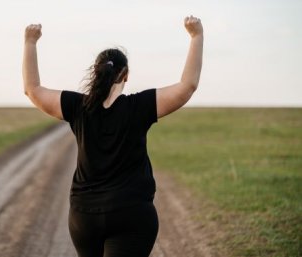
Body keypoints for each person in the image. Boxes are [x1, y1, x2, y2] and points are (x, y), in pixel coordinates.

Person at [22, 15, 203, 257]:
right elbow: (187, 86)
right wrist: (196, 36)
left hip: (84, 217)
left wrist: (30, 42)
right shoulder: (140, 106)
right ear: (125, 75)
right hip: (131, 215)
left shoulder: (78, 106)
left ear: (97, 74)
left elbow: (31, 89)